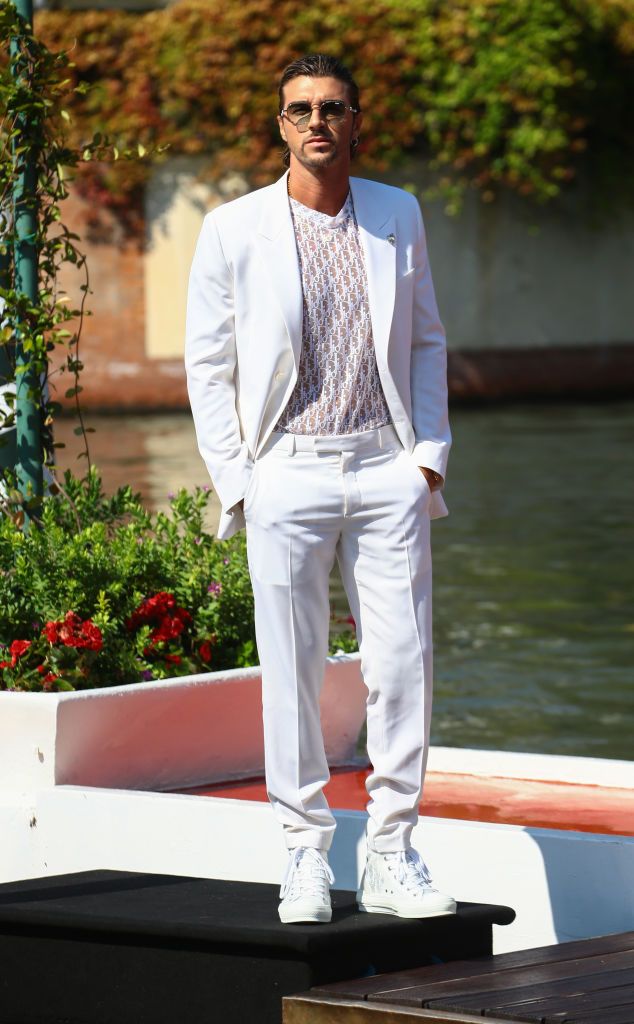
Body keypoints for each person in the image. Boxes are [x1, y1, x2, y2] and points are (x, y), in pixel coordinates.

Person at [185, 53, 456, 925]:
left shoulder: (397, 213)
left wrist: (427, 458)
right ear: (280, 125)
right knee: (291, 672)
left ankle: (392, 853)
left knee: (403, 665)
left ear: (355, 121)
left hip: (386, 468)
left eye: (332, 108)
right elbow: (208, 365)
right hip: (285, 472)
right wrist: (240, 482)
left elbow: (426, 341)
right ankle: (304, 853)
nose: (316, 123)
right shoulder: (233, 228)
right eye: (300, 109)